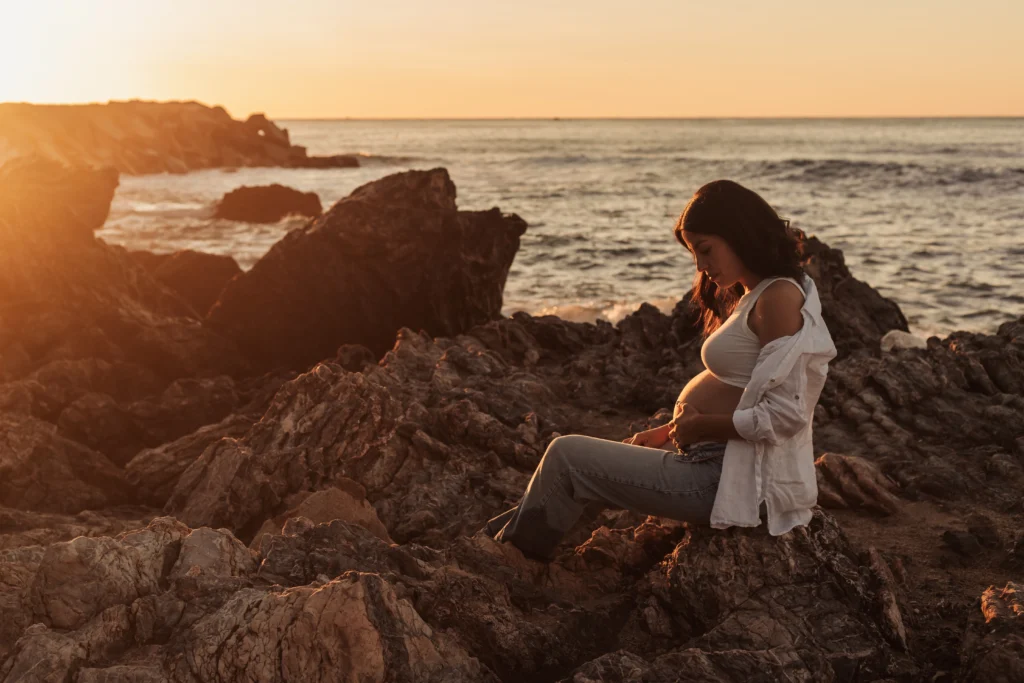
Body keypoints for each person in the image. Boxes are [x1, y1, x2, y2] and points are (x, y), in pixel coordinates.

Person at [484, 179, 838, 561]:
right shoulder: (759, 292)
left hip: (725, 481)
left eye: (705, 250)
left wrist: (698, 427)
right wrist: (668, 433)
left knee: (566, 456)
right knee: (570, 468)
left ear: (740, 234)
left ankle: (507, 561)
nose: (701, 266)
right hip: (716, 464)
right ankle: (493, 547)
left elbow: (787, 415)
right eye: (693, 254)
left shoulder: (780, 297)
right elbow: (745, 390)